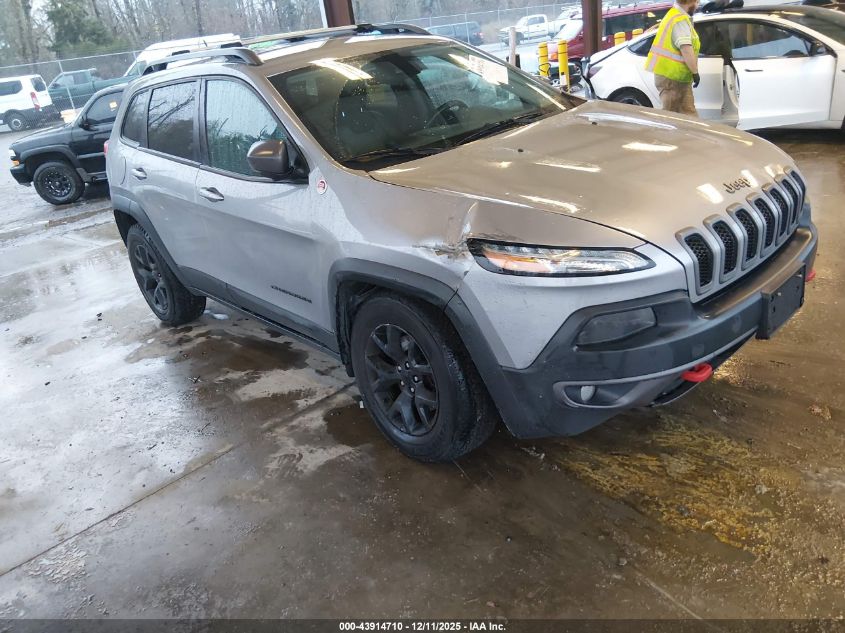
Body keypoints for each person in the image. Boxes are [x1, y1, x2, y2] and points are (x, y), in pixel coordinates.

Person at [645, 0, 701, 115]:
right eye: (697, 2)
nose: (697, 5)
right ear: (690, 1)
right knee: (673, 118)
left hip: (675, 78)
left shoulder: (676, 16)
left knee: (686, 116)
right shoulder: (679, 20)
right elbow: (686, 49)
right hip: (672, 79)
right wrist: (695, 72)